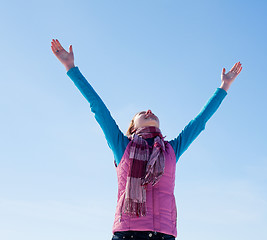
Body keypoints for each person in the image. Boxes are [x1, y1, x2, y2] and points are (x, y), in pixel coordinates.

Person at [51, 39, 243, 240]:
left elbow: (200, 121)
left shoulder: (171, 149)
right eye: (143, 112)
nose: (149, 111)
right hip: (128, 235)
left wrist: (224, 86)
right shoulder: (122, 146)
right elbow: (97, 107)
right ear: (133, 126)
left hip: (164, 235)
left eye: (151, 111)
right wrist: (70, 67)